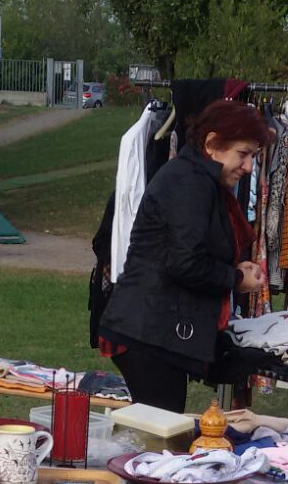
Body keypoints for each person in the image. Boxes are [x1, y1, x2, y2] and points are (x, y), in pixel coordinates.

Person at [99, 101, 270, 410]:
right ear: (212, 144)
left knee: (160, 429)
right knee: (159, 434)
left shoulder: (197, 179)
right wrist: (235, 278)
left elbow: (188, 250)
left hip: (153, 329)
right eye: (243, 154)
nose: (247, 167)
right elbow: (186, 262)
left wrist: (234, 269)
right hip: (148, 333)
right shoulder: (188, 182)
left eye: (253, 157)